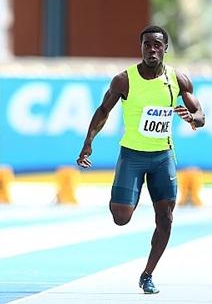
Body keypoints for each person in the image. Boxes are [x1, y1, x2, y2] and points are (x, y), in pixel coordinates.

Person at [77, 25, 205, 294]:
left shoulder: (178, 80)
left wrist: (192, 119)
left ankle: (147, 274)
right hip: (132, 156)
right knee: (121, 217)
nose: (152, 49)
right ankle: (125, 197)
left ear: (165, 49)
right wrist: (88, 143)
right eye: (147, 44)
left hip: (162, 157)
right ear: (141, 48)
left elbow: (200, 116)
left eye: (157, 45)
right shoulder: (124, 80)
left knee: (166, 219)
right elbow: (103, 110)